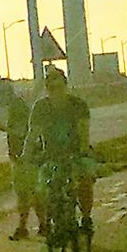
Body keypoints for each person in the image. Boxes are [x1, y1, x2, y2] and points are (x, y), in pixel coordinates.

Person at [22, 64, 94, 232]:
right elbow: (33, 134)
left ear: (65, 86)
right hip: (50, 155)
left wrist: (83, 151)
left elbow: (83, 132)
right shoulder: (40, 107)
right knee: (41, 188)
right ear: (47, 89)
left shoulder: (78, 105)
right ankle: (48, 220)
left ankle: (86, 217)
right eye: (51, 88)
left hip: (75, 153)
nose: (56, 92)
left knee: (85, 180)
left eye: (59, 87)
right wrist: (26, 154)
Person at [0, 77, 40, 241]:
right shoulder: (17, 106)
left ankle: (25, 227)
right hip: (24, 155)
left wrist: (3, 128)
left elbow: (23, 131)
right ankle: (41, 225)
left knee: (25, 193)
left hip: (25, 156)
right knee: (32, 192)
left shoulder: (18, 108)